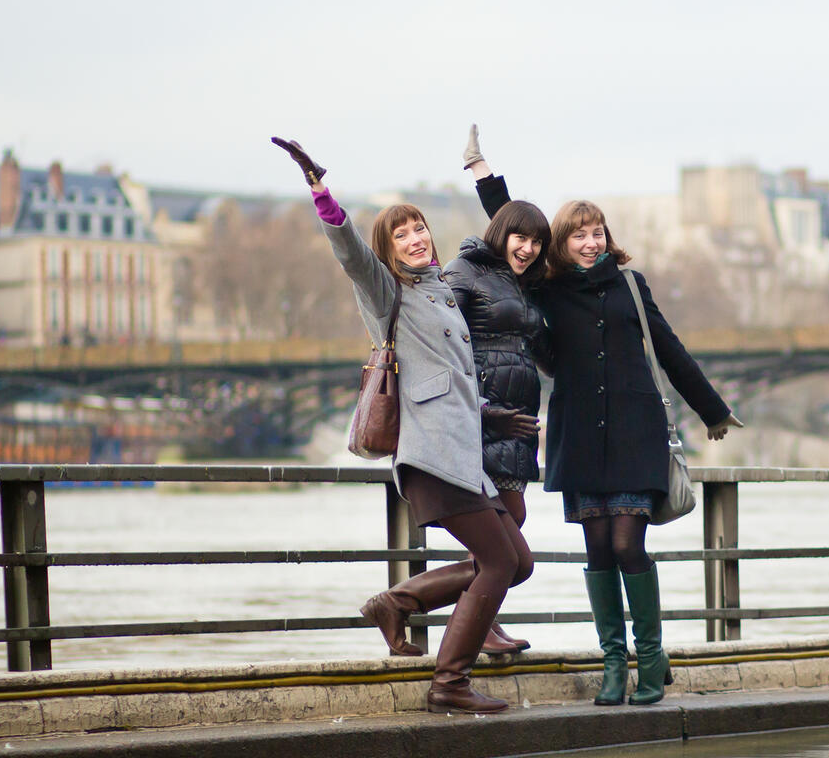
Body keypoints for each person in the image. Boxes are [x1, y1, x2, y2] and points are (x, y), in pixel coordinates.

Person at [271, 136, 534, 714]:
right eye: (401, 234)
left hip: (464, 451)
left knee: (519, 562)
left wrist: (495, 416)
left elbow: (450, 383)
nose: (415, 239)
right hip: (433, 457)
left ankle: (397, 603)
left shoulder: (440, 292)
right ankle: (448, 683)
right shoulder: (386, 292)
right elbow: (349, 256)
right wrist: (323, 196)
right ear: (388, 250)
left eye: (419, 229)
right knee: (497, 563)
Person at [529, 194, 744, 706]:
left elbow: (667, 347)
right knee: (598, 550)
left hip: (634, 433)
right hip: (580, 435)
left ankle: (649, 657)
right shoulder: (548, 292)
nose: (590, 242)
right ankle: (612, 662)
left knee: (628, 545)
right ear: (561, 243)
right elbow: (513, 232)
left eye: (597, 231)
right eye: (578, 234)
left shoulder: (630, 283)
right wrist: (484, 178)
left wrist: (712, 410)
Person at [442, 125, 549, 654]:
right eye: (519, 239)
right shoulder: (465, 270)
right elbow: (441, 339)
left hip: (518, 416)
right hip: (484, 413)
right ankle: (422, 607)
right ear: (500, 234)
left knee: (509, 530)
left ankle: (480, 618)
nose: (527, 249)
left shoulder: (520, 281)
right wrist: (482, 174)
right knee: (504, 538)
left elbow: (516, 225)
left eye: (536, 242)